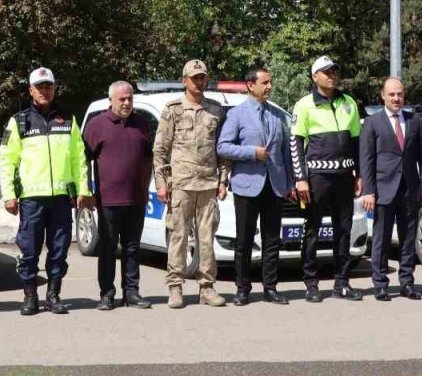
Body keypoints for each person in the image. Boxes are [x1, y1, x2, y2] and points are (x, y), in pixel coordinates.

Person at [0, 67, 92, 316]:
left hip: (61, 198)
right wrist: (9, 194)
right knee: (29, 251)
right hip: (31, 199)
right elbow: (7, 159)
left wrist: (83, 189)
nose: (44, 91)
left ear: (54, 88)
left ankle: (53, 295)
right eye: (39, 87)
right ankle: (30, 296)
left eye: (48, 86)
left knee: (59, 250)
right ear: (30, 90)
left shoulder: (68, 119)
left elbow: (78, 158)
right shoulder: (19, 121)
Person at [216, 65, 294, 306]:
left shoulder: (277, 115)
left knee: (272, 239)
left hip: (275, 185)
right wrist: (251, 152)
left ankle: (270, 287)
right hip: (247, 185)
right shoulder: (237, 114)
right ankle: (243, 288)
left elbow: (285, 153)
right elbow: (222, 146)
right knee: (245, 240)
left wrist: (289, 182)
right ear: (251, 85)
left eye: (270, 82)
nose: (269, 86)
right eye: (265, 82)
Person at [153, 60, 228, 309]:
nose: (199, 81)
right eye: (194, 77)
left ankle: (207, 287)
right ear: (184, 80)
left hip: (207, 184)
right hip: (181, 184)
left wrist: (223, 179)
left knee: (206, 239)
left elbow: (222, 151)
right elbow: (160, 150)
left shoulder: (216, 110)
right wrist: (161, 183)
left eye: (202, 77)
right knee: (179, 238)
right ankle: (175, 288)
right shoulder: (172, 109)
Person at [291, 56, 364, 303]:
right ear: (315, 77)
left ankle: (341, 283)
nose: (331, 75)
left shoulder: (349, 103)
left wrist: (359, 174)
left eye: (334, 71)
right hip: (317, 178)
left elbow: (356, 143)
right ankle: (311, 283)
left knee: (343, 231)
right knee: (312, 230)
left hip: (344, 177)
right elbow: (295, 144)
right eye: (326, 72)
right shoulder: (304, 105)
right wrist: (301, 179)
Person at [82, 80, 154, 311]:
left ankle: (131, 293)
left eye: (130, 99)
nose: (126, 103)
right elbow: (84, 160)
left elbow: (151, 157)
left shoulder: (141, 124)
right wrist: (87, 192)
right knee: (108, 248)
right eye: (122, 99)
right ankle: (107, 294)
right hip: (108, 200)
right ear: (110, 100)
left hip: (137, 198)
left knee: (133, 248)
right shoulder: (97, 125)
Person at [359, 77, 422, 301]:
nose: (396, 98)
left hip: (410, 189)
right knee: (381, 237)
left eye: (399, 94)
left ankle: (407, 283)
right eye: (392, 95)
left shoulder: (414, 120)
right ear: (383, 96)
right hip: (382, 189)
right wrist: (368, 190)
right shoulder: (373, 122)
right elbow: (366, 159)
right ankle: (380, 284)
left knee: (408, 238)